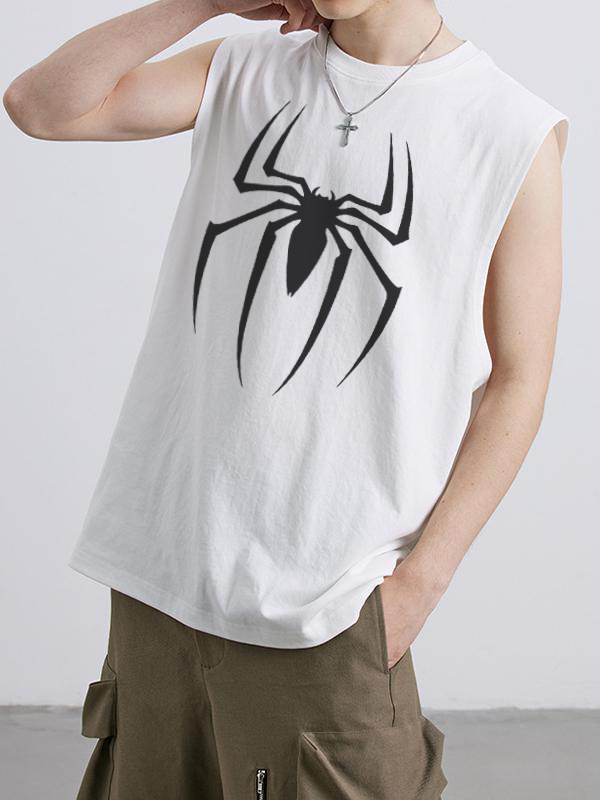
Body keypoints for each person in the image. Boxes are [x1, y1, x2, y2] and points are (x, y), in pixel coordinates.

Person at [4, 0, 569, 797]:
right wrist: (204, 2)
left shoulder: (510, 129)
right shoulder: (242, 68)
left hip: (330, 597)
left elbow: (518, 381)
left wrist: (421, 583)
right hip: (164, 568)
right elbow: (39, 106)